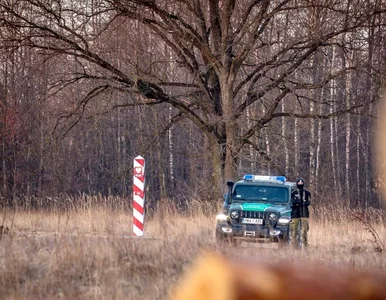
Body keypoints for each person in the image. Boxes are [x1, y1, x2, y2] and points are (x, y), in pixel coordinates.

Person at [290, 178, 311, 248]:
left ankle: (305, 245)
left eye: (301, 183)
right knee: (294, 230)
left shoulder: (307, 193)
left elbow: (308, 202)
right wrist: (298, 202)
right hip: (295, 214)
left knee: (304, 231)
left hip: (304, 214)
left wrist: (302, 203)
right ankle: (293, 245)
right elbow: (292, 201)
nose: (300, 184)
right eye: (299, 183)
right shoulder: (293, 193)